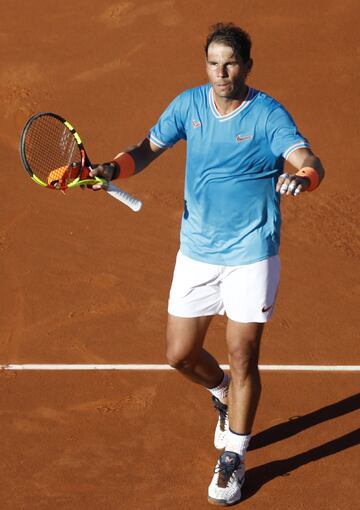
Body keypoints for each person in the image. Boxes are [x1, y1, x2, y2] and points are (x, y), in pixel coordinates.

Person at [90, 22, 325, 506]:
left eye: (231, 63)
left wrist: (303, 175)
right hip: (196, 251)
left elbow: (306, 157)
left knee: (243, 355)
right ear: (206, 66)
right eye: (214, 63)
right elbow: (147, 149)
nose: (221, 72)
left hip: (250, 253)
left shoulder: (266, 114)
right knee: (179, 355)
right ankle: (220, 393)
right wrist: (112, 169)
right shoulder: (189, 105)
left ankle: (235, 456)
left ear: (247, 66)